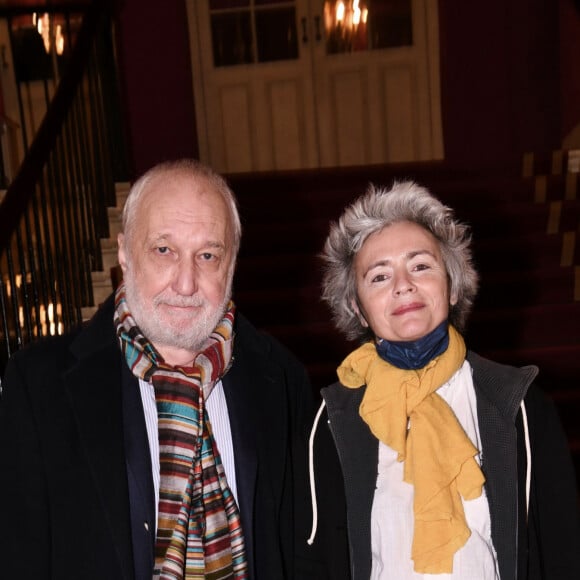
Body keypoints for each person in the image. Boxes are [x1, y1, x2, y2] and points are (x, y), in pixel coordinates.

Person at [0, 159, 331, 579]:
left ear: (231, 264)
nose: (186, 283)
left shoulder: (281, 377)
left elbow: (301, 549)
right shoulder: (38, 385)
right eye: (164, 250)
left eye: (208, 255)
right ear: (124, 251)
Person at [307, 181, 580, 579]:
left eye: (420, 266)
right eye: (379, 277)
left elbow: (563, 551)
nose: (404, 285)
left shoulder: (519, 406)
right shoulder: (333, 420)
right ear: (358, 308)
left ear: (451, 285)